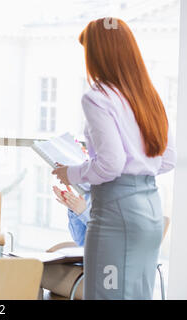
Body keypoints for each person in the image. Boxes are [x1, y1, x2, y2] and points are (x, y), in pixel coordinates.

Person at [52, 18, 176, 299]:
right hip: (150, 212)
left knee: (105, 293)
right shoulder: (148, 96)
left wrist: (71, 173)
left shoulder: (97, 98)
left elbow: (111, 164)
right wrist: (139, 165)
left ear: (99, 55)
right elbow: (167, 159)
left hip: (116, 213)